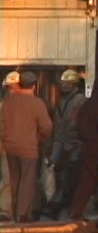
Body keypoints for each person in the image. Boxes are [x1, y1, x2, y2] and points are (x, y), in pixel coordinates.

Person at [1, 71, 53, 222]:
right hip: (29, 149)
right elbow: (47, 127)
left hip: (10, 148)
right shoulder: (37, 103)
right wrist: (39, 139)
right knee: (27, 181)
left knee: (14, 181)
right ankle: (22, 214)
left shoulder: (7, 103)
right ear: (34, 86)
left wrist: (5, 140)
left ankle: (14, 211)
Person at [46, 69, 86, 219]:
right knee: (56, 172)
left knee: (70, 175)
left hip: (73, 143)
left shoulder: (80, 100)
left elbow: (76, 122)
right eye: (62, 83)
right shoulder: (62, 101)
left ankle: (63, 205)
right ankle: (57, 204)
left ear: (74, 84)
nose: (63, 86)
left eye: (67, 83)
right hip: (61, 141)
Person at [69, 78, 98, 220]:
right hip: (94, 145)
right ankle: (76, 212)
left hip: (87, 145)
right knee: (89, 179)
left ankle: (76, 211)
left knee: (86, 179)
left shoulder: (87, 104)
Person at [0, 71, 20, 222]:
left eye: (13, 87)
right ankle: (7, 211)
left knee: (16, 179)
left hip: (17, 147)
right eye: (9, 87)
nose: (11, 90)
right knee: (8, 179)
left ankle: (15, 210)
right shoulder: (3, 105)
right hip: (9, 147)